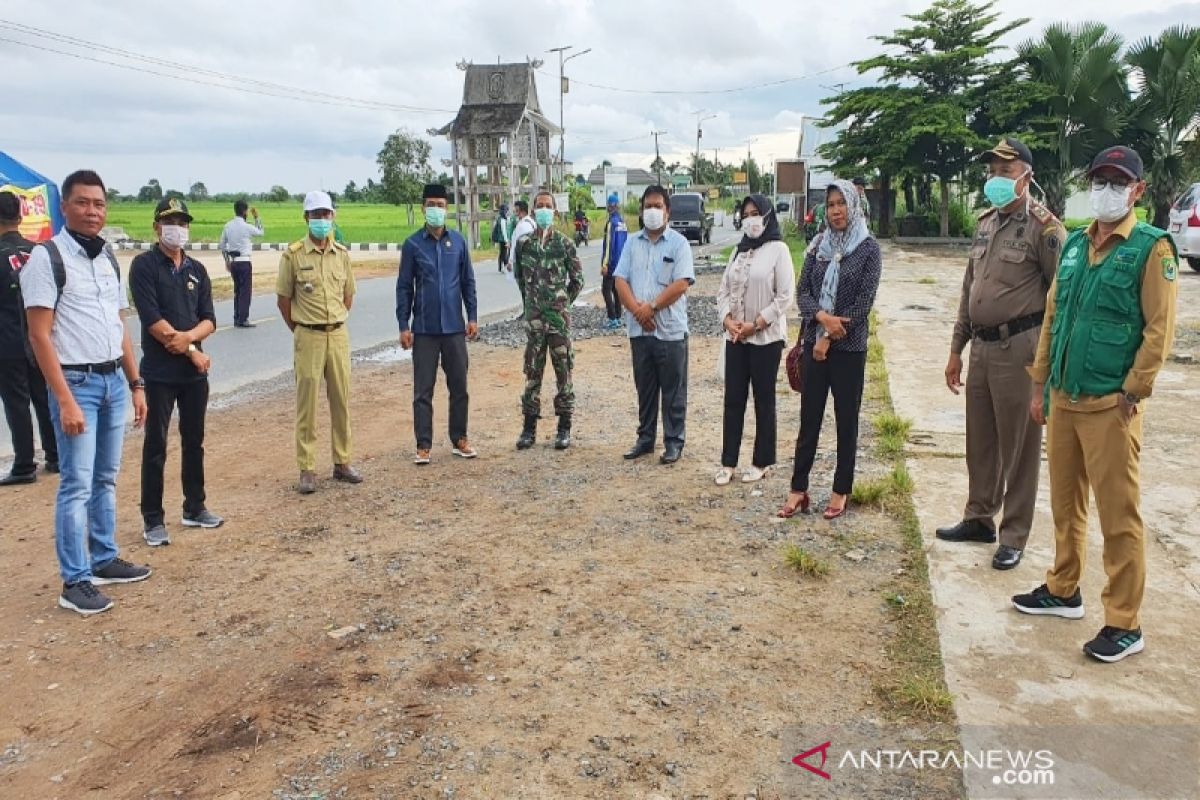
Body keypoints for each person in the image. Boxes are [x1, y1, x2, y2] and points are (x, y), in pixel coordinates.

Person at [1013, 146, 1179, 664]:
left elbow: (1159, 330)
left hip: (1111, 404)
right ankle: (1063, 589)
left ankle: (1124, 622)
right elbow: (1054, 317)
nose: (1106, 189)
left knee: (1118, 515)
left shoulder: (1152, 249)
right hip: (1064, 396)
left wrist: (1133, 391)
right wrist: (1040, 385)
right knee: (1065, 504)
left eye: (1117, 181)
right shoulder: (1075, 245)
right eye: (1100, 180)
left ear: (1137, 190)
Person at [21, 170, 151, 615]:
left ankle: (104, 557)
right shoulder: (47, 258)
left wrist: (135, 383)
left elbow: (120, 327)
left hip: (114, 380)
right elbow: (40, 336)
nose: (92, 211)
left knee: (105, 477)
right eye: (82, 203)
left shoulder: (107, 259)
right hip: (76, 383)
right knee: (75, 485)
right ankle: (74, 580)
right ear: (65, 207)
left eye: (98, 204)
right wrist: (63, 399)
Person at [936, 137, 1065, 570]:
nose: (996, 178)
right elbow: (969, 290)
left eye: (1005, 171)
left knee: (1020, 447)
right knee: (982, 441)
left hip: (1020, 348)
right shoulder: (986, 224)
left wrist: (1045, 369)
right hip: (982, 349)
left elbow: (1058, 300)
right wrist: (957, 348)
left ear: (1026, 177)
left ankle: (1013, 534)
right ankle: (978, 517)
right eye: (992, 171)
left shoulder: (1045, 230)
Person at [779, 179, 882, 520]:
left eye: (842, 204)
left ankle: (841, 490)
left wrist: (827, 337)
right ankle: (798, 489)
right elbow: (803, 293)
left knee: (845, 421)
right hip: (814, 345)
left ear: (853, 207)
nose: (837, 210)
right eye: (832, 204)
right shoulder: (818, 245)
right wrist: (821, 318)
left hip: (848, 349)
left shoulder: (868, 249)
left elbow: (862, 304)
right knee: (809, 419)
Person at [129, 197, 223, 546]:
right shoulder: (143, 266)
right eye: (170, 222)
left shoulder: (196, 269)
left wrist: (191, 344)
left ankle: (195, 507)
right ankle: (153, 519)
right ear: (156, 226)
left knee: (194, 441)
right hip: (159, 373)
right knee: (156, 444)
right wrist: (191, 349)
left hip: (193, 374)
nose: (177, 229)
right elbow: (152, 320)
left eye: (183, 223)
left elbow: (210, 318)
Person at [275, 190, 362, 494]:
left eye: (326, 214)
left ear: (333, 216)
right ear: (306, 219)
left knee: (341, 399)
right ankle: (307, 468)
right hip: (308, 335)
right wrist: (301, 329)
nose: (322, 220)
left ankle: (342, 461)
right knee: (307, 404)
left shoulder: (342, 254)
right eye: (316, 215)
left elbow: (347, 297)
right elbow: (283, 301)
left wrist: (332, 321)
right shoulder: (294, 255)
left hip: (337, 333)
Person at [397, 183, 479, 465]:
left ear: (448, 209)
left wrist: (473, 317)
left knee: (459, 386)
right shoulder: (412, 245)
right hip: (424, 329)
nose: (436, 210)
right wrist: (403, 325)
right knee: (423, 390)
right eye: (431, 205)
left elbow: (468, 282)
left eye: (441, 205)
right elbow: (405, 287)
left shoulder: (458, 242)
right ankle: (423, 444)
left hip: (455, 328)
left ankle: (460, 439)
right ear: (423, 208)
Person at [613, 185, 696, 465]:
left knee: (673, 390)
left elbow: (682, 283)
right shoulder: (632, 243)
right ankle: (645, 438)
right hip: (639, 330)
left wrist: (652, 307)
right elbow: (620, 280)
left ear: (667, 211)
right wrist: (638, 311)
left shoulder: (679, 244)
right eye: (648, 206)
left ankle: (673, 442)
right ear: (641, 210)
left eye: (657, 206)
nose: (652, 211)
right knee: (645, 388)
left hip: (670, 331)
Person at [715, 194, 794, 486]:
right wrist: (727, 320)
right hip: (735, 337)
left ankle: (762, 461)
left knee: (764, 399)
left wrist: (756, 324)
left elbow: (785, 296)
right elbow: (723, 291)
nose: (750, 219)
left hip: (766, 339)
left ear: (767, 215)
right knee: (733, 399)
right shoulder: (740, 252)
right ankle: (728, 462)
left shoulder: (779, 250)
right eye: (746, 214)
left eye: (755, 213)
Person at [514, 191, 584, 451]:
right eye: (539, 206)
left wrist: (562, 302)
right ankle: (528, 428)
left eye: (548, 206)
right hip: (534, 322)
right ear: (533, 211)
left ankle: (564, 427)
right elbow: (521, 281)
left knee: (563, 373)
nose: (544, 210)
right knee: (532, 374)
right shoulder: (524, 245)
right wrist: (530, 305)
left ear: (555, 211)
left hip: (558, 322)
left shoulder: (565, 244)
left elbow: (578, 280)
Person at [0, 190, 58, 484]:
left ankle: (24, 465)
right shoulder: (38, 252)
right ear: (21, 217)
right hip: (39, 338)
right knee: (44, 398)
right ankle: (55, 454)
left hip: (7, 341)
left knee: (16, 403)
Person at [218, 199, 264, 328]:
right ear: (244, 211)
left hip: (233, 262)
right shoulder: (246, 226)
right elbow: (261, 232)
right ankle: (243, 319)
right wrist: (257, 217)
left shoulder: (228, 225)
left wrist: (227, 261)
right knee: (245, 291)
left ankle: (237, 317)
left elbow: (222, 245)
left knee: (237, 291)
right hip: (244, 262)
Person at [600, 193, 628, 331]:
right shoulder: (623, 222)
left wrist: (605, 264)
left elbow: (609, 245)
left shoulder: (611, 223)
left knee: (606, 290)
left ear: (610, 206)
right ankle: (618, 317)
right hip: (621, 262)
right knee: (616, 290)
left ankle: (612, 318)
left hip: (612, 263)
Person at [492, 203, 511, 273]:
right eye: (507, 210)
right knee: (504, 253)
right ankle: (505, 267)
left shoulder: (500, 218)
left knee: (502, 253)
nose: (507, 212)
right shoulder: (502, 219)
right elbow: (504, 231)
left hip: (501, 239)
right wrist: (507, 241)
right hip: (503, 239)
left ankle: (500, 268)